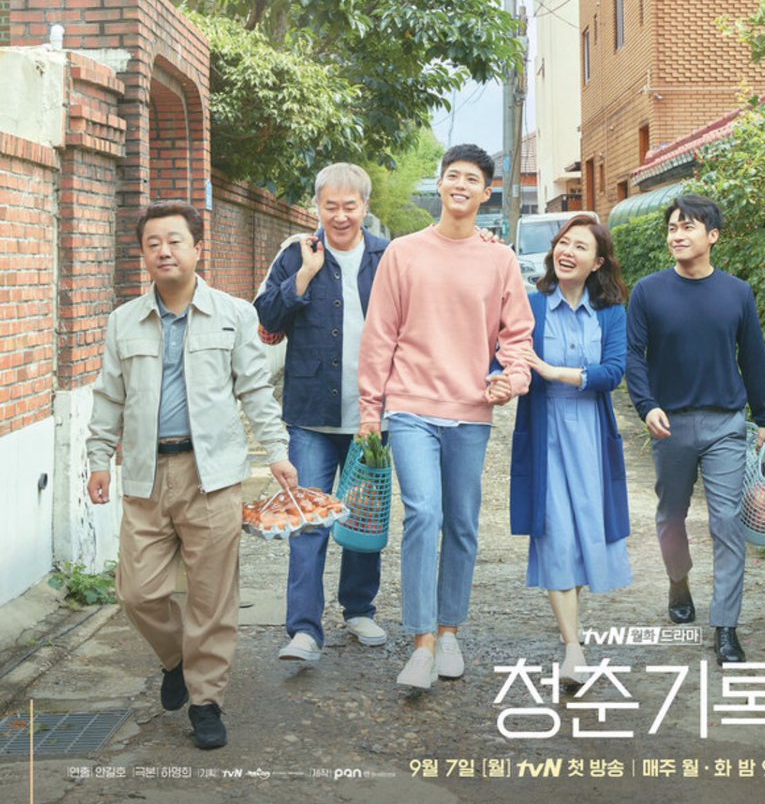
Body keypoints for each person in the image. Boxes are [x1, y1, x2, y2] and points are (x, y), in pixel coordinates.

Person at [86, 201, 297, 751]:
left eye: (175, 241)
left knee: (211, 597)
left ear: (197, 247)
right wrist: (96, 458)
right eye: (153, 243)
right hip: (144, 475)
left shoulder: (233, 314)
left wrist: (277, 451)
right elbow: (109, 396)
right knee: (138, 593)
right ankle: (175, 658)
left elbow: (254, 389)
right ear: (144, 254)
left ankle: (206, 700)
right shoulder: (123, 321)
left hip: (214, 476)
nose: (164, 251)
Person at [358, 144, 534, 690]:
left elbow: (517, 336)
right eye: (452, 175)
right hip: (410, 405)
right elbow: (380, 335)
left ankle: (450, 629)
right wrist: (371, 411)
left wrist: (514, 378)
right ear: (440, 185)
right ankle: (421, 643)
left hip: (472, 410)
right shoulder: (404, 254)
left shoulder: (499, 258)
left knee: (461, 522)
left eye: (473, 179)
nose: (461, 184)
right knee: (423, 514)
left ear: (487, 192)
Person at [625, 194, 765, 665]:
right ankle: (678, 580)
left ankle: (725, 626)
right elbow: (634, 356)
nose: (677, 235)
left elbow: (753, 357)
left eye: (687, 227)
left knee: (726, 521)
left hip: (725, 424)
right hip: (668, 423)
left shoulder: (737, 293)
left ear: (712, 236)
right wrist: (646, 407)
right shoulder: (648, 291)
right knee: (670, 514)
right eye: (672, 227)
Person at [254, 164, 389, 663]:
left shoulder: (386, 257)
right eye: (330, 206)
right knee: (308, 521)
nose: (339, 215)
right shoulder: (296, 254)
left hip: (373, 415)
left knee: (362, 518)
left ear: (364, 208)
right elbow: (266, 318)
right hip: (310, 414)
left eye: (349, 206)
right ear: (317, 207)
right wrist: (304, 279)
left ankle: (359, 608)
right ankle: (305, 630)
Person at [510, 215, 631, 686]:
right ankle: (573, 648)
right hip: (544, 431)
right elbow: (509, 355)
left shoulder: (611, 312)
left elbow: (613, 372)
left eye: (580, 246)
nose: (567, 251)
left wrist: (558, 371)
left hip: (593, 435)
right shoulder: (533, 305)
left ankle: (571, 626)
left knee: (586, 533)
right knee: (555, 533)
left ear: (596, 262)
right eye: (563, 242)